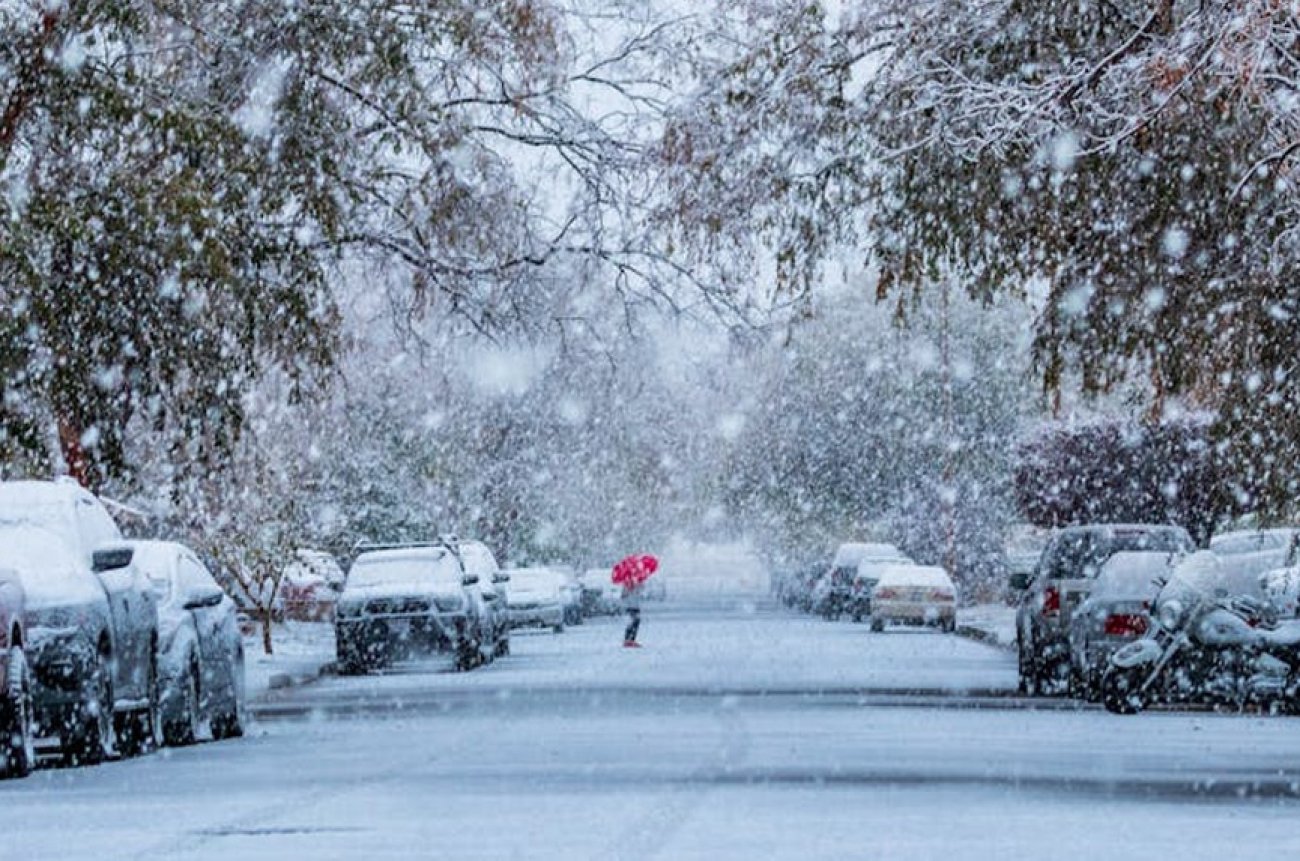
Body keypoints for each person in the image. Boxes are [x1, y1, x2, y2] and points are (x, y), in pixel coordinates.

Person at [622, 576, 644, 648]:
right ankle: (629, 640)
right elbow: (623, 595)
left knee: (633, 622)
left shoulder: (636, 585)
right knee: (634, 622)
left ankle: (629, 640)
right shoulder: (627, 585)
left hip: (634, 605)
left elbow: (641, 590)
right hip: (631, 606)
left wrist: (639, 583)